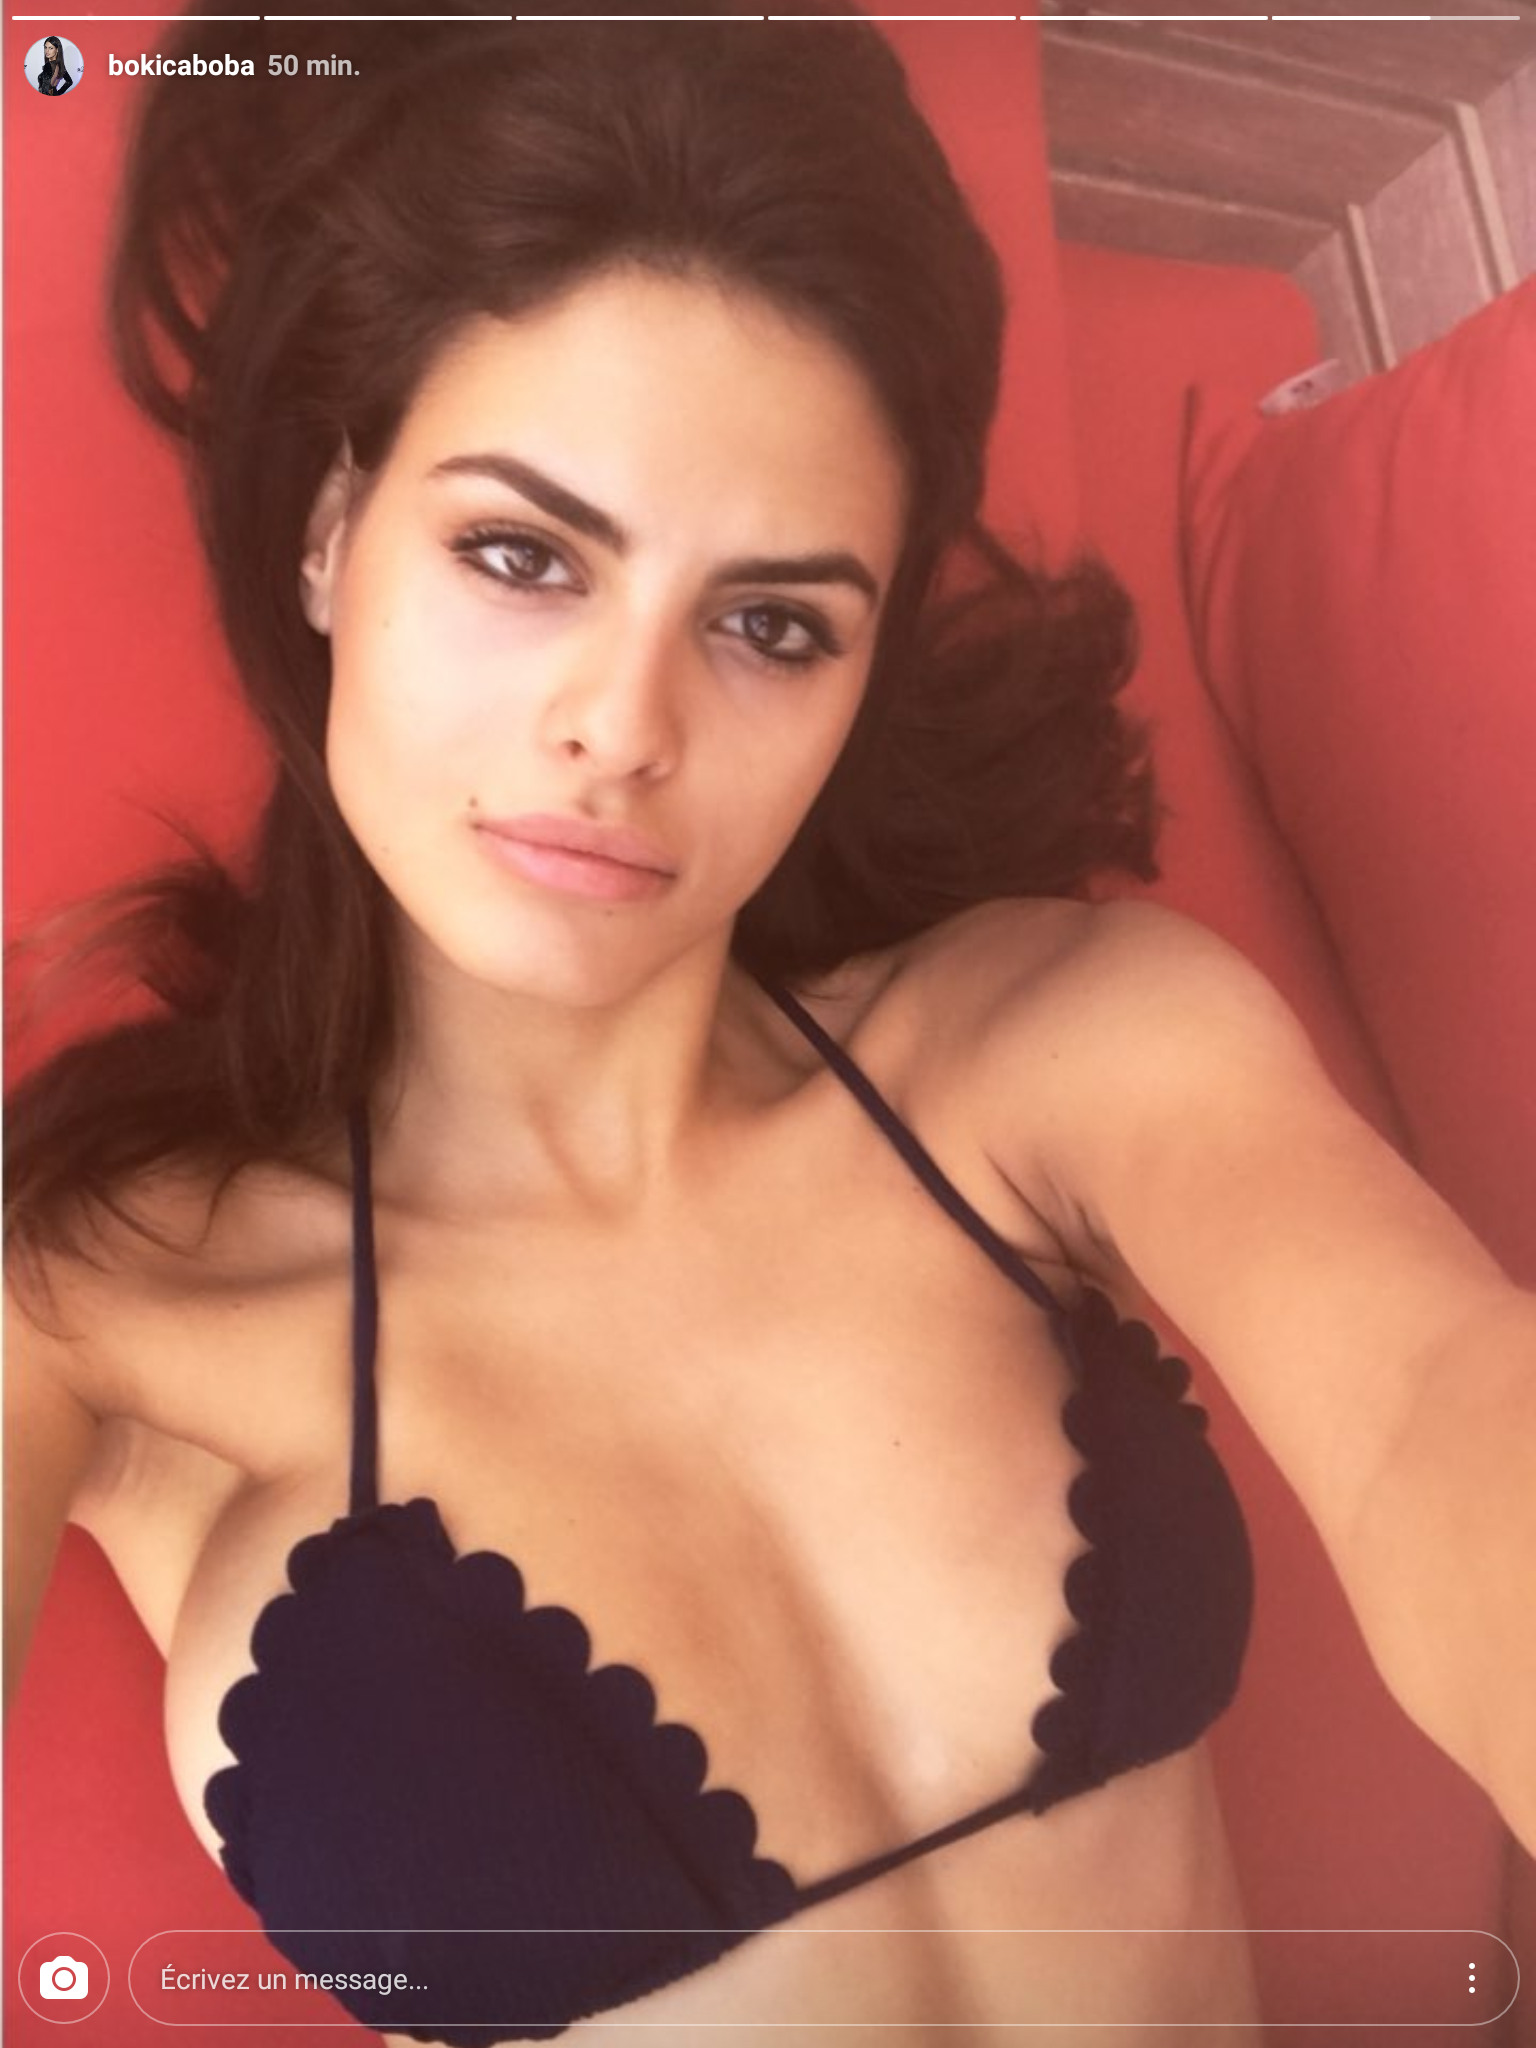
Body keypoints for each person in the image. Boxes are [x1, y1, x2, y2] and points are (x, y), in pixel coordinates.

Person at [6, 4, 1534, 2042]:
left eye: (766, 624)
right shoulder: (91, 1303)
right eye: (521, 553)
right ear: (328, 535)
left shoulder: (1058, 1044)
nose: (623, 728)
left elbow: (1444, 1410)